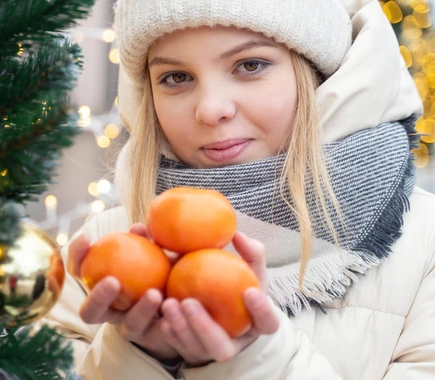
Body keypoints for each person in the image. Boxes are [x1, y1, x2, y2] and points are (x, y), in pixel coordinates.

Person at [44, 0, 435, 378]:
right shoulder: (100, 256)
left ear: (316, 73)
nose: (211, 109)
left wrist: (250, 360)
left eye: (250, 65)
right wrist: (137, 356)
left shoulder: (425, 246)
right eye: (176, 77)